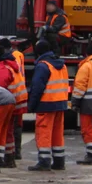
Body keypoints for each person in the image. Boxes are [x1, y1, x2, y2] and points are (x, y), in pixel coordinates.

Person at [27, 40, 70, 171]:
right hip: (60, 103)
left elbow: (37, 87)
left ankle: (44, 162)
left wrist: (31, 105)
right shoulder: (61, 65)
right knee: (57, 133)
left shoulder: (42, 66)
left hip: (46, 104)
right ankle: (59, 161)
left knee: (44, 133)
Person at [0, 45, 28, 168]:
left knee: (4, 130)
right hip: (17, 101)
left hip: (7, 103)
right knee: (9, 130)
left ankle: (5, 158)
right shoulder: (11, 64)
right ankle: (9, 157)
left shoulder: (1, 68)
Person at [71, 46, 92, 165]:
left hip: (89, 104)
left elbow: (80, 86)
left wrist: (75, 102)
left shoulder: (86, 66)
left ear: (87, 54)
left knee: (89, 129)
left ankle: (91, 155)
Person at [0, 37, 26, 160]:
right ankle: (16, 151)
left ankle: (12, 152)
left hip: (12, 95)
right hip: (19, 94)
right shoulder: (18, 55)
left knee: (11, 126)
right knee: (16, 124)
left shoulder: (10, 60)